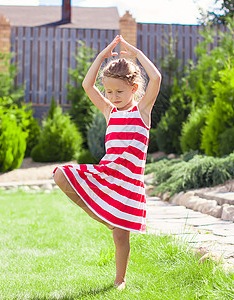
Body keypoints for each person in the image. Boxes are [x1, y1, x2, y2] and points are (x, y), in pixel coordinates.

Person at [53, 35, 161, 290]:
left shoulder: (142, 111)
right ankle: (105, 213)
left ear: (134, 89)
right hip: (107, 176)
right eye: (109, 91)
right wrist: (102, 56)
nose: (113, 96)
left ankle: (119, 281)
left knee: (121, 236)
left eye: (119, 91)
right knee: (60, 175)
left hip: (129, 184)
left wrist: (135, 54)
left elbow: (155, 78)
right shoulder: (109, 111)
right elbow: (87, 85)